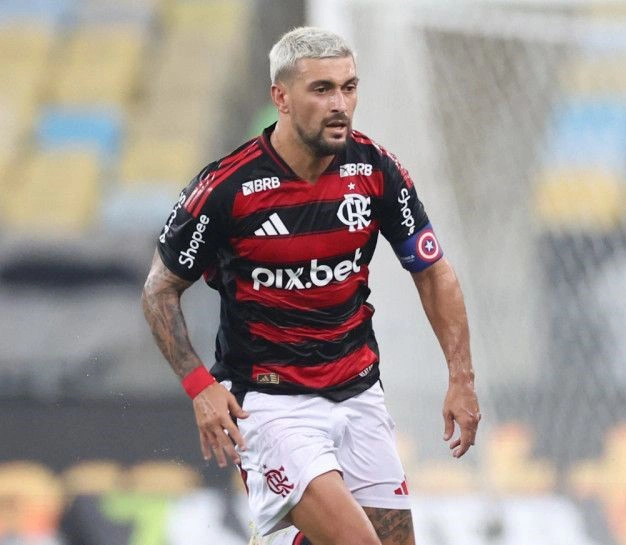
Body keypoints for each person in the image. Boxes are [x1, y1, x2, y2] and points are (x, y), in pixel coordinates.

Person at [140, 27, 481, 545]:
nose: (340, 104)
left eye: (348, 87)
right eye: (321, 89)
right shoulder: (226, 188)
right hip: (270, 402)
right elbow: (158, 291)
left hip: (359, 391)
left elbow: (432, 270)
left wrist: (461, 377)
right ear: (281, 96)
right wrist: (198, 387)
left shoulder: (375, 170)